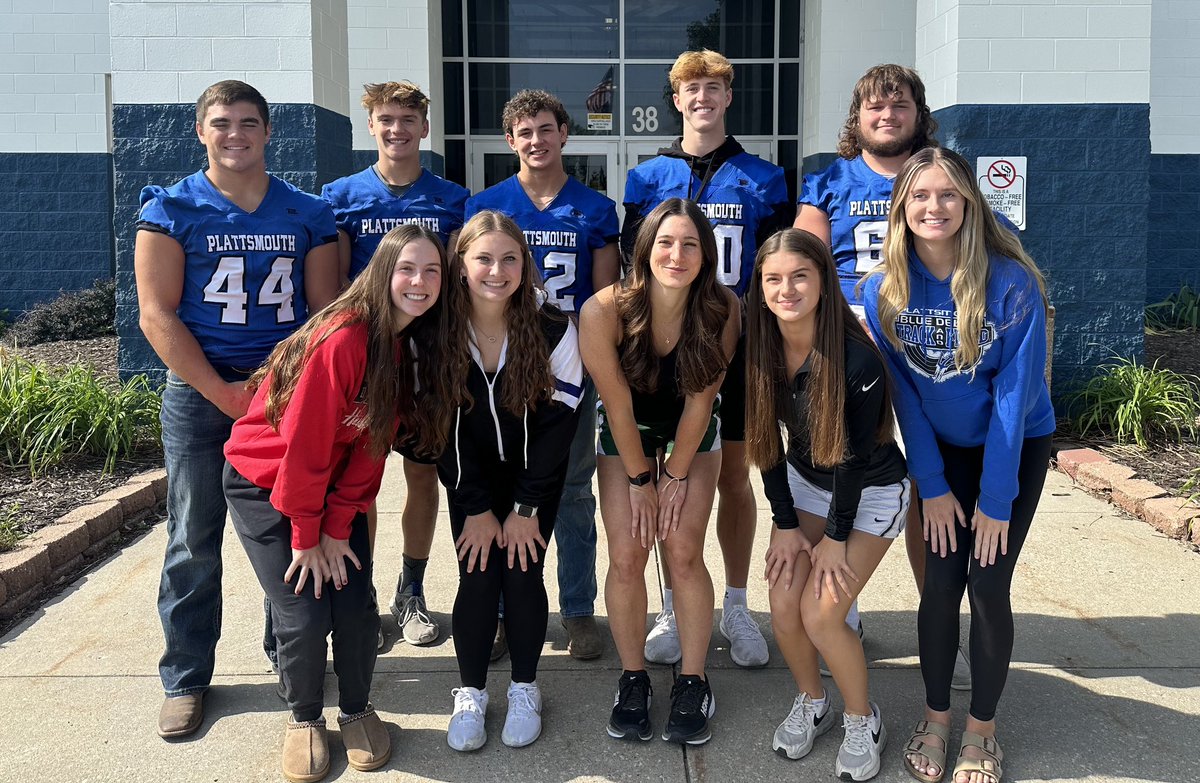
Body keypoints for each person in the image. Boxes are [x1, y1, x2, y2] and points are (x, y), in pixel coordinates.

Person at [135, 79, 339, 740]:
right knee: (194, 534)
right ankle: (186, 675)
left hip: (283, 392)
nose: (235, 134)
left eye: (248, 123)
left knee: (282, 531)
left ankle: (290, 656)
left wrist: (282, 384)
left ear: (268, 131)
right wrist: (221, 390)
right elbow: (156, 314)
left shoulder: (306, 211)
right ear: (201, 130)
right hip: (201, 392)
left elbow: (324, 312)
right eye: (221, 123)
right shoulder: (171, 208)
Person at [222, 225, 450, 782]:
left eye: (432, 272)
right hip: (267, 484)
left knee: (354, 610)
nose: (419, 283)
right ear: (382, 273)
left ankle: (355, 709)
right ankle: (303, 719)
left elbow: (371, 447)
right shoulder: (346, 337)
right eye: (407, 269)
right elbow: (304, 446)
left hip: (327, 494)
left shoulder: (405, 344)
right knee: (302, 612)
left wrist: (339, 525)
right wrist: (307, 534)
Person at [862, 147, 1054, 783]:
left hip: (1012, 448)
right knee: (941, 583)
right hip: (942, 454)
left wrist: (996, 500)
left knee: (988, 581)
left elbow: (1013, 398)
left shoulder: (1010, 283)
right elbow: (906, 395)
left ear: (969, 202)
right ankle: (938, 715)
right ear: (901, 209)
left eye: (948, 195)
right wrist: (934, 486)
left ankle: (983, 727)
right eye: (920, 197)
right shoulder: (881, 291)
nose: (934, 207)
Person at [621, 48, 791, 670]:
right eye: (691, 88)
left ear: (727, 97)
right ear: (676, 99)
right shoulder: (646, 177)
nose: (702, 98)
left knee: (735, 477)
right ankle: (672, 604)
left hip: (739, 347)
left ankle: (739, 603)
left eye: (713, 88)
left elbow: (777, 267)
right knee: (673, 473)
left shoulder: (764, 177)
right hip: (667, 347)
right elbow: (631, 267)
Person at [793, 64, 955, 675]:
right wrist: (841, 324)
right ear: (857, 118)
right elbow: (806, 258)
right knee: (842, 468)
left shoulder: (937, 173)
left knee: (928, 489)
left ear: (919, 113)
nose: (887, 116)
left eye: (900, 105)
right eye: (874, 107)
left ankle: (935, 615)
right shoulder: (828, 178)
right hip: (850, 348)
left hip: (927, 346)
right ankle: (843, 603)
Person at [746, 229, 910, 781]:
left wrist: (835, 539)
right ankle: (814, 701)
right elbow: (766, 445)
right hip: (804, 485)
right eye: (774, 279)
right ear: (760, 288)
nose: (786, 289)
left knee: (821, 614)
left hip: (869, 492)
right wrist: (787, 526)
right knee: (784, 603)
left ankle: (864, 718)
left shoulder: (855, 359)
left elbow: (852, 462)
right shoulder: (760, 347)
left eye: (800, 276)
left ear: (822, 281)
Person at [465, 88, 620, 661]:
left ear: (564, 134)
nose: (537, 141)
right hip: (499, 363)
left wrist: (596, 367)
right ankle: (508, 608)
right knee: (509, 487)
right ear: (510, 141)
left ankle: (577, 609)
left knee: (574, 490)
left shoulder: (595, 208)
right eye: (525, 132)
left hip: (566, 366)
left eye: (546, 129)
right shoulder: (486, 205)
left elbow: (601, 299)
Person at [582, 198, 739, 745]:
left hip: (691, 436)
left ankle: (694, 680)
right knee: (626, 555)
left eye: (691, 244)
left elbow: (701, 404)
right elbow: (618, 409)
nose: (677, 254)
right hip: (627, 432)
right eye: (666, 242)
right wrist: (639, 481)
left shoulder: (723, 308)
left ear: (706, 255)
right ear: (644, 250)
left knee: (682, 550)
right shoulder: (604, 311)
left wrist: (671, 476)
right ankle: (634, 679)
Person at [321, 80, 469, 648]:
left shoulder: (451, 199)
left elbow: (454, 287)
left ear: (424, 128)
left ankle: (411, 589)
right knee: (355, 481)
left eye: (408, 119)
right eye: (386, 119)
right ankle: (356, 597)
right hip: (366, 356)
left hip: (427, 359)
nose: (397, 129)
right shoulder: (341, 195)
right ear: (371, 125)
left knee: (422, 475)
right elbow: (335, 288)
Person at [437, 210, 584, 751]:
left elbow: (557, 425)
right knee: (476, 576)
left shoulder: (552, 328)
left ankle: (526, 687)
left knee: (522, 573)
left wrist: (525, 509)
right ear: (460, 264)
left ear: (525, 264)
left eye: (509, 258)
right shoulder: (438, 329)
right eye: (483, 258)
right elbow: (439, 430)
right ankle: (471, 692)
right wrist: (475, 506)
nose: (496, 270)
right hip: (468, 481)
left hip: (532, 482)